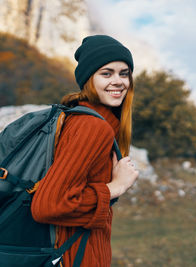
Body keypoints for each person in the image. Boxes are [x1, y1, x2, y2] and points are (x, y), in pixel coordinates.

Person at [31, 35, 139, 266]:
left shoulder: (89, 119)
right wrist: (115, 187)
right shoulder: (92, 126)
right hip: (75, 258)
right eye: (106, 73)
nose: (119, 81)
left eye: (124, 73)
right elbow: (48, 205)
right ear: (89, 78)